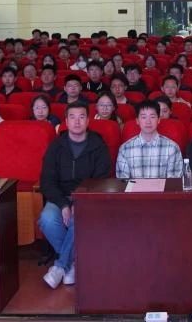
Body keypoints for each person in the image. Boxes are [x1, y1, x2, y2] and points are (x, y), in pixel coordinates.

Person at [39, 102, 112, 289]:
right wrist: (64, 204)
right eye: (72, 117)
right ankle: (73, 263)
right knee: (47, 219)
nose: (77, 121)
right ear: (66, 121)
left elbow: (100, 180)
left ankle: (60, 266)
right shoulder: (56, 146)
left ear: (88, 121)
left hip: (87, 199)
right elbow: (47, 181)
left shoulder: (98, 146)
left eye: (81, 117)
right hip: (60, 197)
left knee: (77, 219)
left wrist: (78, 202)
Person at [115, 101, 183, 179]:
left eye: (152, 117)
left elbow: (174, 182)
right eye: (144, 117)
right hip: (135, 187)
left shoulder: (172, 148)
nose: (148, 122)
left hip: (164, 187)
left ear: (158, 120)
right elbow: (123, 182)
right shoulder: (125, 149)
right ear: (137, 121)